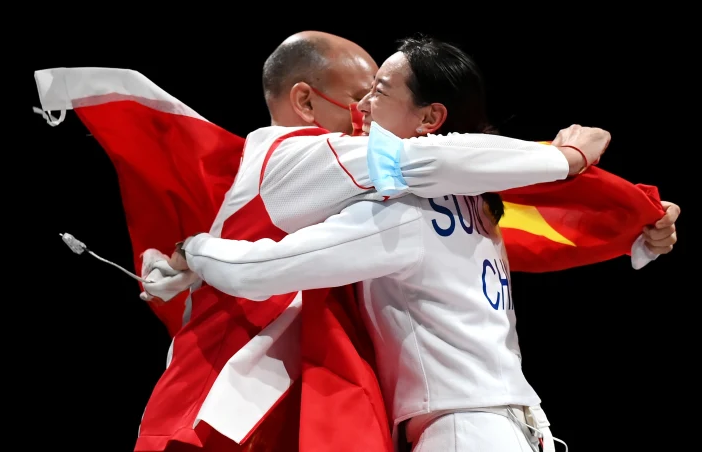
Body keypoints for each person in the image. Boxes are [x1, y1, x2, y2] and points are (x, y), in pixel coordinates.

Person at [152, 36, 682, 452]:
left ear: (430, 119)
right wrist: (636, 225)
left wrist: (196, 249)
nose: (363, 110)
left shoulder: (403, 210)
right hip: (522, 428)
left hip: (464, 435)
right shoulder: (483, 200)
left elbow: (261, 269)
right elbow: (477, 164)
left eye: (378, 92)